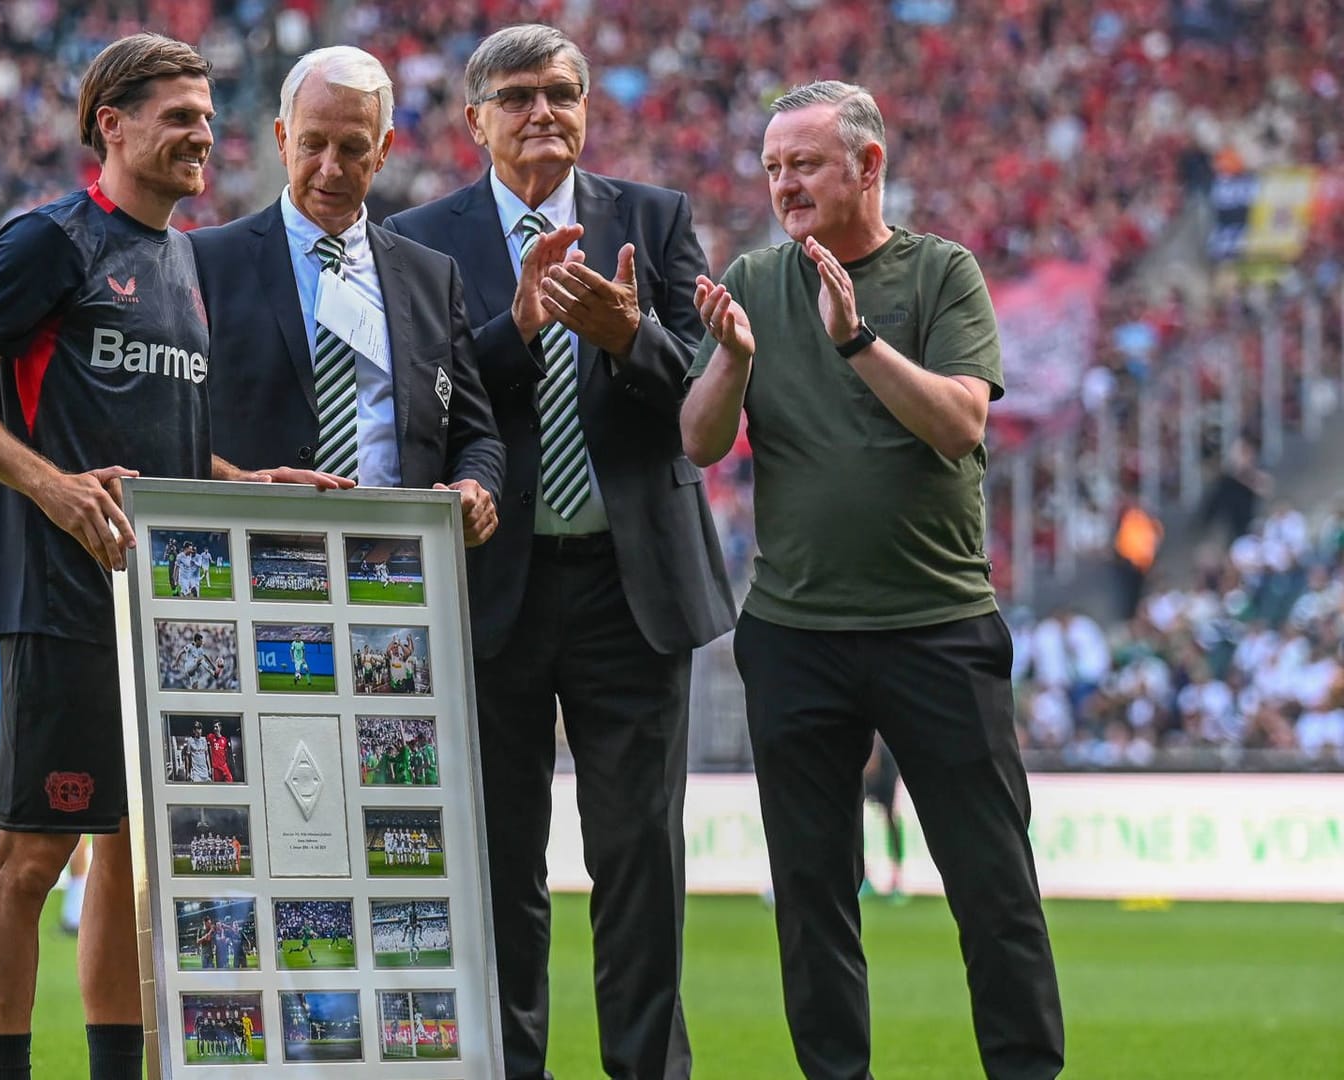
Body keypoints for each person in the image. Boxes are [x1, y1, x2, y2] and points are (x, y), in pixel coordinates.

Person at [679, 80, 1064, 1079]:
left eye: (803, 163)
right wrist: (728, 361)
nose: (783, 184)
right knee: (812, 898)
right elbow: (699, 442)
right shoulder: (755, 280)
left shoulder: (941, 273)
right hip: (795, 631)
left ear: (868, 165)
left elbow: (960, 425)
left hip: (938, 624)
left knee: (994, 886)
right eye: (771, 168)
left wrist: (856, 337)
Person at [382, 24, 736, 1079]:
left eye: (564, 93)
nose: (546, 112)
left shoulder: (655, 218)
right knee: (497, 869)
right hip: (494, 586)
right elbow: (424, 408)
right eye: (522, 95)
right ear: (475, 119)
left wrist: (634, 338)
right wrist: (520, 329)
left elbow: (703, 393)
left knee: (640, 861)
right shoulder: (421, 239)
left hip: (635, 591)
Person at [0, 32, 277, 1080]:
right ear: (111, 125)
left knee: (131, 857)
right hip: (63, 599)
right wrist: (48, 486)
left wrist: (241, 486)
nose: (202, 136)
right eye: (180, 117)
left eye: (209, 119)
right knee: (32, 855)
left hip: (166, 606)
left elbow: (152, 442)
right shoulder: (52, 242)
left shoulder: (183, 260)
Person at [191, 46, 503, 543]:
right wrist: (244, 482)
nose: (330, 168)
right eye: (312, 143)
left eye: (353, 147)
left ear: (384, 150)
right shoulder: (206, 262)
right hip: (256, 563)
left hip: (395, 570)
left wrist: (475, 485)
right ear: (281, 139)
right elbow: (165, 427)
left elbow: (475, 432)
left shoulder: (431, 278)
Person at [859, 734, 906, 902]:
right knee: (853, 820)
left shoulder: (888, 764)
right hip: (866, 767)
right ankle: (862, 875)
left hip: (885, 772)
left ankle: (897, 879)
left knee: (891, 819)